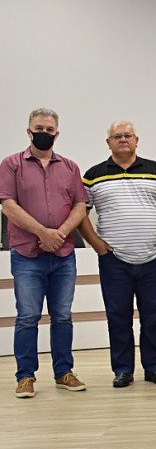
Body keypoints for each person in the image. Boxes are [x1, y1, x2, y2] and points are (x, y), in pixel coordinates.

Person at [78, 121, 156, 388]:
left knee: (154, 316)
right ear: (108, 142)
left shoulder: (155, 170)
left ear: (137, 140)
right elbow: (80, 212)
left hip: (153, 258)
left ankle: (154, 366)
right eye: (117, 136)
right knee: (118, 316)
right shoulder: (93, 175)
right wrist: (96, 244)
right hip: (114, 261)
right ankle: (123, 369)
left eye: (128, 135)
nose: (123, 139)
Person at [0, 108, 88, 398]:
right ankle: (25, 377)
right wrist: (43, 233)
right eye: (39, 128)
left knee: (62, 315)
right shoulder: (11, 164)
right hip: (27, 254)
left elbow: (79, 205)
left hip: (62, 254)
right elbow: (8, 205)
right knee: (27, 316)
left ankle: (64, 372)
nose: (44, 133)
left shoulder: (70, 167)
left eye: (49, 130)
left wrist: (59, 234)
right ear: (28, 131)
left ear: (57, 134)